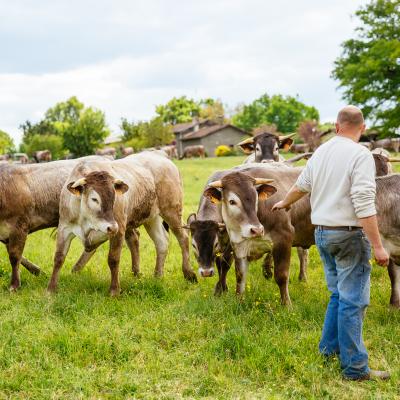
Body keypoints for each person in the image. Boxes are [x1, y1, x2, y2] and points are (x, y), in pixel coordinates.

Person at [272, 105, 390, 381]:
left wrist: (283, 202)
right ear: (361, 129)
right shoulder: (360, 154)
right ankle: (355, 368)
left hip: (322, 233)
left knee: (338, 294)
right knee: (353, 300)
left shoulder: (321, 151)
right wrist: (379, 246)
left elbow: (302, 184)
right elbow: (363, 201)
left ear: (337, 127)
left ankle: (328, 350)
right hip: (349, 235)